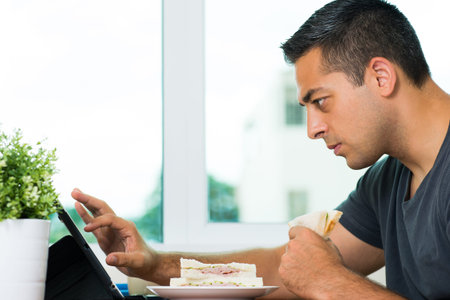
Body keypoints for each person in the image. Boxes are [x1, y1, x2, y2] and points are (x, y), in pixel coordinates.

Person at [71, 0, 450, 299]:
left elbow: (320, 276)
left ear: (380, 77)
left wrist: (333, 284)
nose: (313, 129)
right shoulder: (386, 182)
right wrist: (154, 264)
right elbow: (277, 270)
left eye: (320, 101)